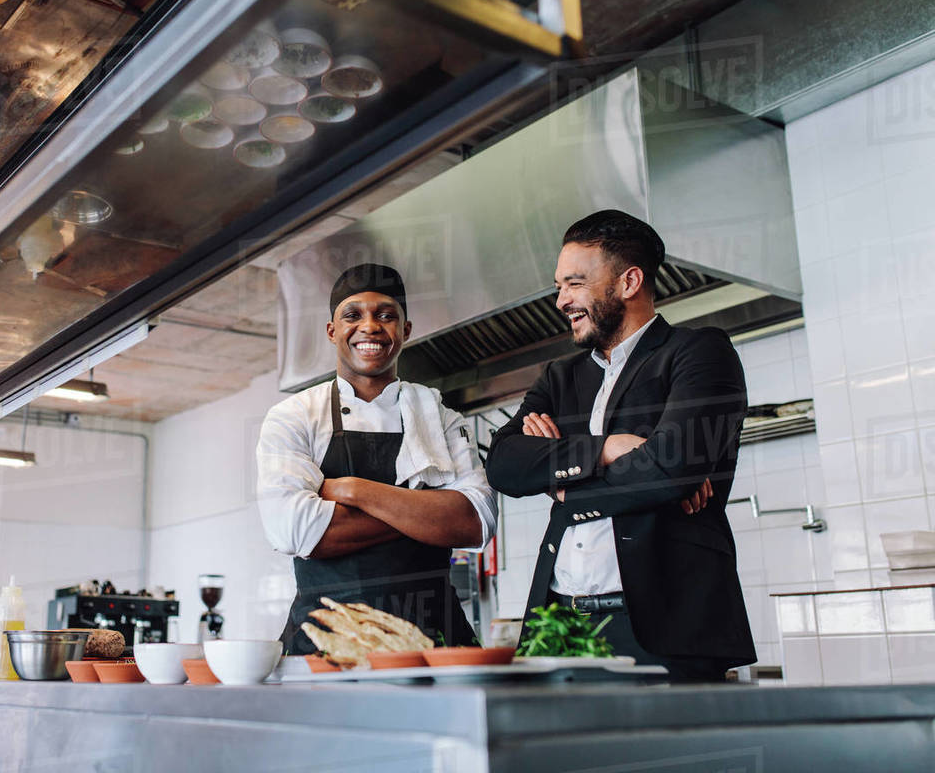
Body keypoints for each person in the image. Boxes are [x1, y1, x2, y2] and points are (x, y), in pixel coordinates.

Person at [485, 210, 755, 682]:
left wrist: (564, 487)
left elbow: (671, 467)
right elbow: (505, 465)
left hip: (663, 626)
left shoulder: (698, 352)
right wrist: (605, 450)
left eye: (574, 284)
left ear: (629, 282)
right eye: (558, 287)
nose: (561, 301)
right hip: (561, 621)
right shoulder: (561, 377)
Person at [257, 263, 497, 653]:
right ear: (332, 331)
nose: (370, 326)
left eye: (386, 315)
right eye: (353, 315)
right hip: (326, 640)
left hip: (433, 637)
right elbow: (295, 532)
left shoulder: (442, 417)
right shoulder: (294, 416)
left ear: (405, 330)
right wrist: (427, 511)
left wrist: (353, 490)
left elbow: (475, 522)